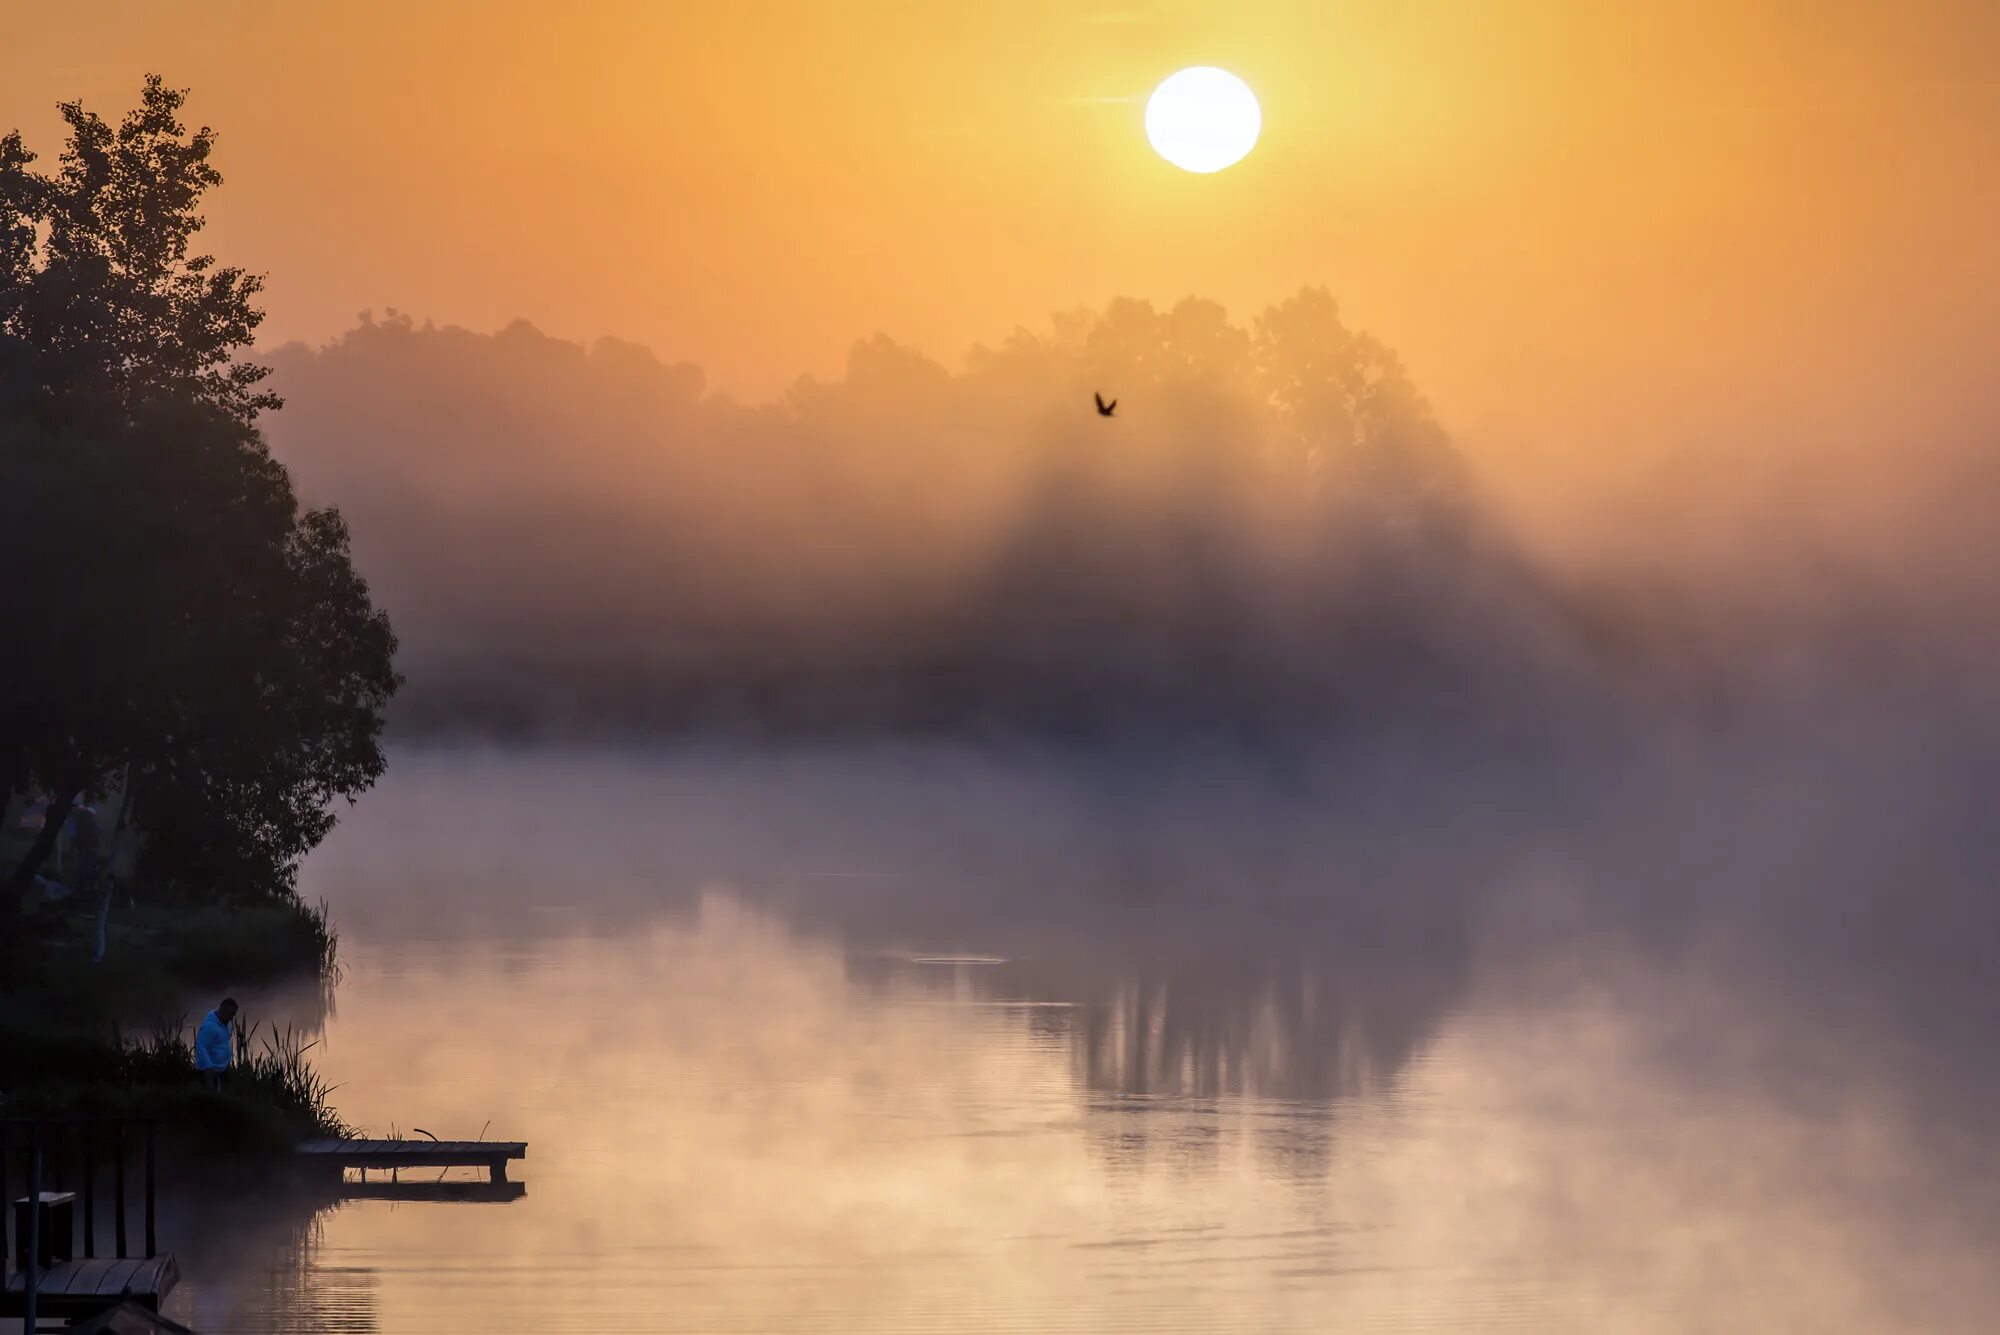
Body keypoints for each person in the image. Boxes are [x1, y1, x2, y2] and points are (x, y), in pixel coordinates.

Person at [195, 997, 239, 1091]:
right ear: (222, 1010)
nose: (231, 1018)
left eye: (233, 1015)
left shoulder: (227, 1025)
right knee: (211, 1096)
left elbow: (223, 1044)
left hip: (221, 1069)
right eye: (230, 1014)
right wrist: (208, 1067)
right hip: (209, 1070)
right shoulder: (209, 1026)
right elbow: (201, 1047)